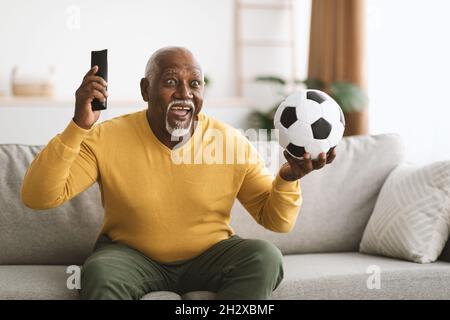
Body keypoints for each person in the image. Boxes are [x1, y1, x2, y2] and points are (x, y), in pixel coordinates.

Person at [21, 47, 337, 300]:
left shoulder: (230, 142)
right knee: (101, 272)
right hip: (130, 257)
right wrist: (79, 127)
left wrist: (288, 178)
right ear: (146, 90)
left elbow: (276, 222)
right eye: (171, 82)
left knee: (264, 257)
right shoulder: (105, 137)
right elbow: (38, 196)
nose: (184, 93)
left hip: (209, 256)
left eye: (194, 84)